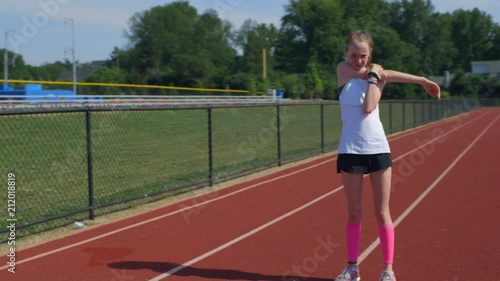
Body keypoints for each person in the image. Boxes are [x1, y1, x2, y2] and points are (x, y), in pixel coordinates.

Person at [334, 30, 440, 281]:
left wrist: (423, 80)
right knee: (354, 212)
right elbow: (378, 78)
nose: (358, 59)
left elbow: (369, 106)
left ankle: (388, 270)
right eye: (354, 55)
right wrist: (375, 73)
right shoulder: (344, 70)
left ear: (370, 54)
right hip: (350, 150)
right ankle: (352, 268)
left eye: (363, 55)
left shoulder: (377, 78)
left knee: (382, 212)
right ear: (346, 53)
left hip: (378, 150)